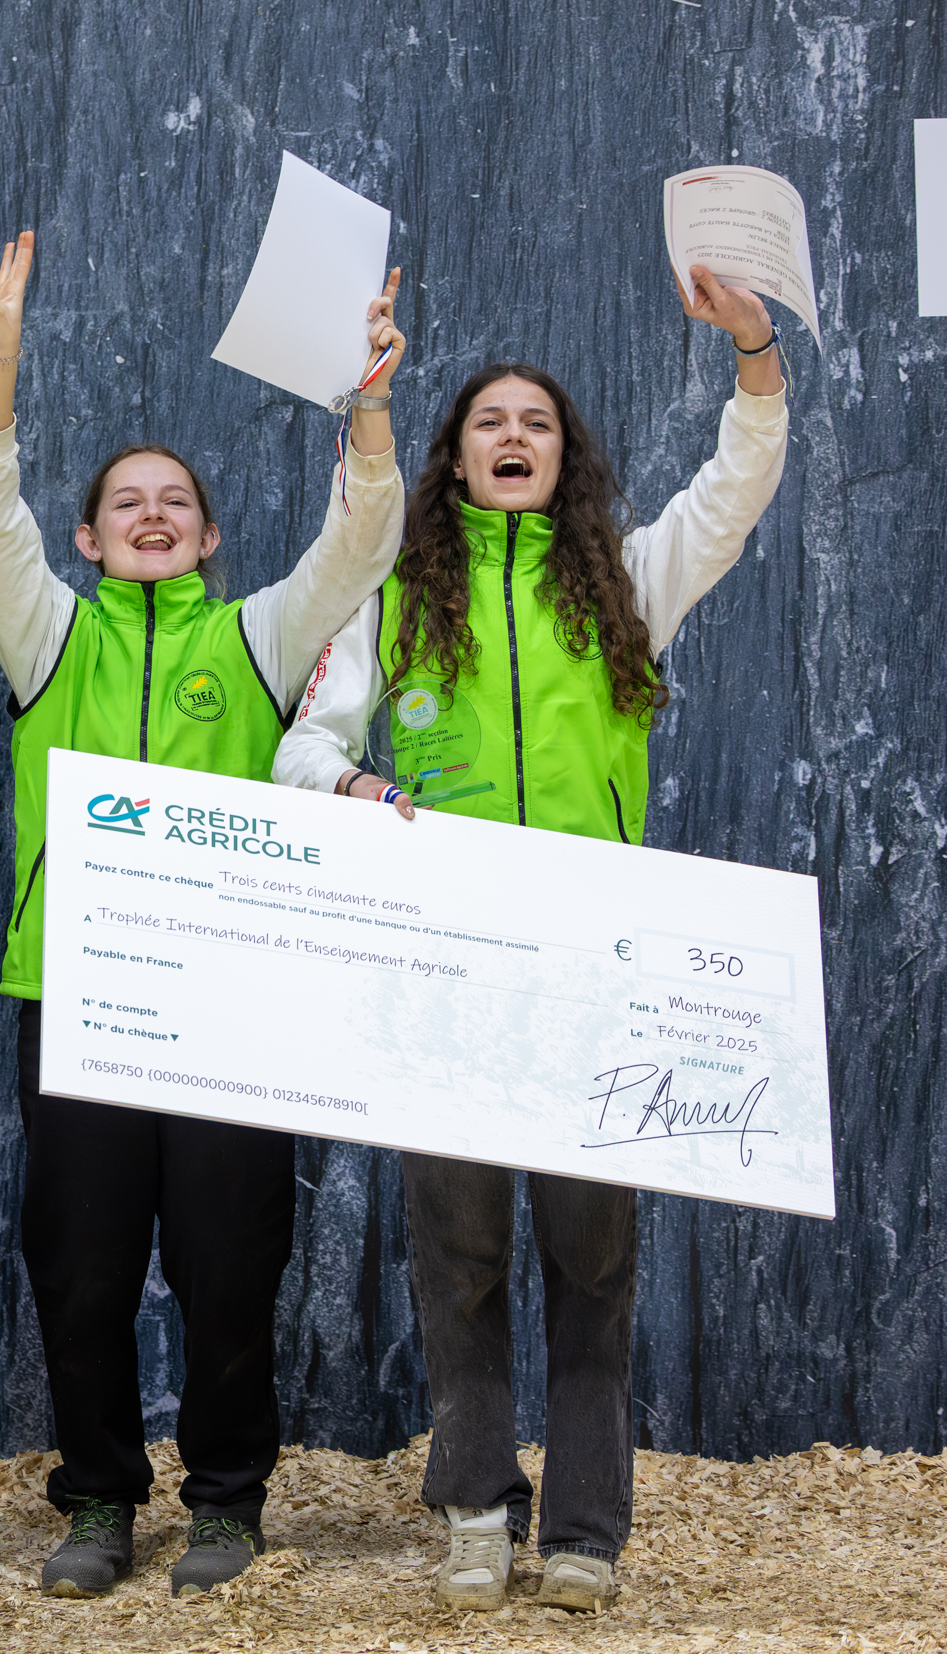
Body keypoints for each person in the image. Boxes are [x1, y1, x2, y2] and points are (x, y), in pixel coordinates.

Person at [271, 265, 791, 1613]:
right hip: (447, 977)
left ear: (565, 457)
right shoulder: (394, 597)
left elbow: (732, 495)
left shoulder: (626, 580)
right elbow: (301, 745)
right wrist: (347, 784)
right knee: (456, 1249)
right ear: (456, 454)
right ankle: (470, 1507)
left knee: (591, 1257)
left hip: (597, 977)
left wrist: (753, 352)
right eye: (490, 421)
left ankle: (584, 1530)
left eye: (537, 423)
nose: (512, 436)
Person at [0, 233, 408, 1598]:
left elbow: (361, 539)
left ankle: (226, 1502)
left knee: (230, 1268)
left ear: (209, 535)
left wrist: (372, 403)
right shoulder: (48, 637)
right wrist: (1, 365)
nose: (150, 517)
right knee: (83, 1274)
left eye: (176, 503)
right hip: (78, 999)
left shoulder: (261, 639)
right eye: (124, 504)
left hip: (233, 1011)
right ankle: (97, 1500)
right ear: (88, 538)